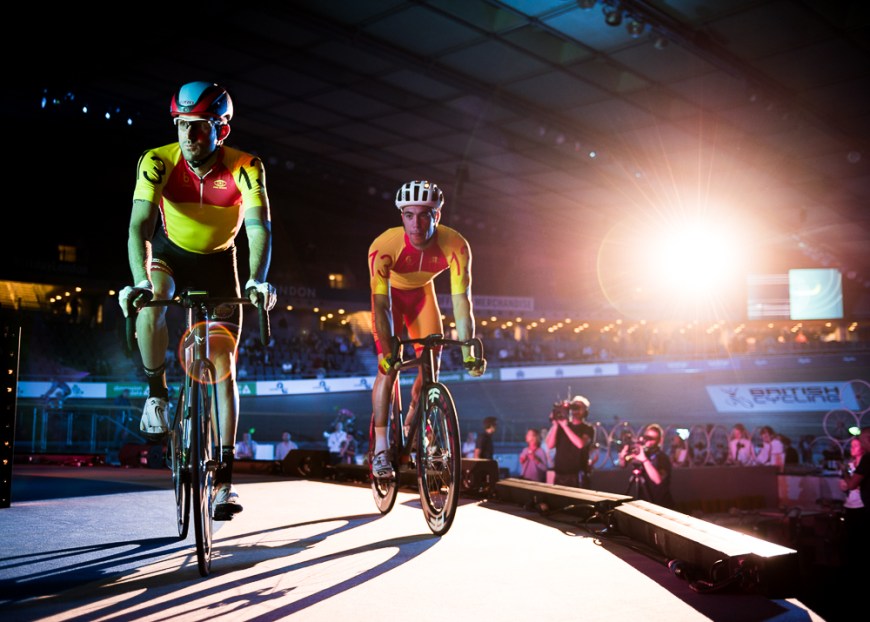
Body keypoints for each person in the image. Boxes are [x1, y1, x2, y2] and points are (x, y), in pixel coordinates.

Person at [118, 81, 277, 521]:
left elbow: (258, 229)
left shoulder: (247, 167)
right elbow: (139, 228)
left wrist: (256, 280)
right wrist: (137, 280)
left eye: (201, 128)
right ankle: (156, 395)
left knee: (224, 369)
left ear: (221, 131)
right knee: (152, 301)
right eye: (183, 126)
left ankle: (224, 480)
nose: (189, 137)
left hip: (219, 262)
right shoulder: (156, 161)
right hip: (170, 256)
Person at [368, 180, 486, 479]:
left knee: (431, 365)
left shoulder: (456, 245)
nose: (416, 224)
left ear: (437, 216)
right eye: (409, 215)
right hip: (392, 299)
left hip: (423, 296)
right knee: (388, 368)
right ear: (401, 216)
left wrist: (469, 347)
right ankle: (381, 448)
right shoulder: (384, 246)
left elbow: (462, 302)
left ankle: (413, 421)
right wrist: (387, 350)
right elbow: (381, 305)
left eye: (424, 215)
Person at [618, 423, 675, 509]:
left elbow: (658, 480)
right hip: (644, 502)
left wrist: (644, 460)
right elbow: (623, 465)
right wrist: (622, 457)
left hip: (660, 503)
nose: (648, 440)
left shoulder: (663, 458)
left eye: (652, 438)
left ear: (659, 441)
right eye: (646, 437)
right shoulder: (644, 453)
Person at [546, 395, 594, 488]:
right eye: (574, 407)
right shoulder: (562, 426)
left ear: (585, 411)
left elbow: (580, 444)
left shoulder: (588, 428)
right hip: (560, 474)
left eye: (579, 407)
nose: (576, 411)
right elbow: (550, 445)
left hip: (577, 475)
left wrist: (565, 426)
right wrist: (556, 425)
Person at [839, 432, 867, 578]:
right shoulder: (850, 465)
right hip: (849, 505)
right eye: (851, 446)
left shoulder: (865, 463)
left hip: (862, 506)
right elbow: (844, 486)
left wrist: (850, 482)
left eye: (856, 445)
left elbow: (851, 484)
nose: (852, 448)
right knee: (850, 540)